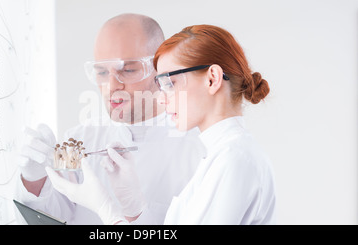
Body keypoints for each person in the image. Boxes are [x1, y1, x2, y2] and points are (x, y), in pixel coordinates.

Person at [46, 24, 277, 224]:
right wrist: (135, 209)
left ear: (212, 78)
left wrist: (106, 210)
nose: (160, 96)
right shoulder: (220, 155)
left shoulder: (234, 159)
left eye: (170, 82)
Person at [15, 14, 206, 225]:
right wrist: (34, 179)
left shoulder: (199, 153)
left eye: (128, 70)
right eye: (101, 72)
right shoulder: (79, 139)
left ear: (159, 69)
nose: (112, 85)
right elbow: (50, 217)